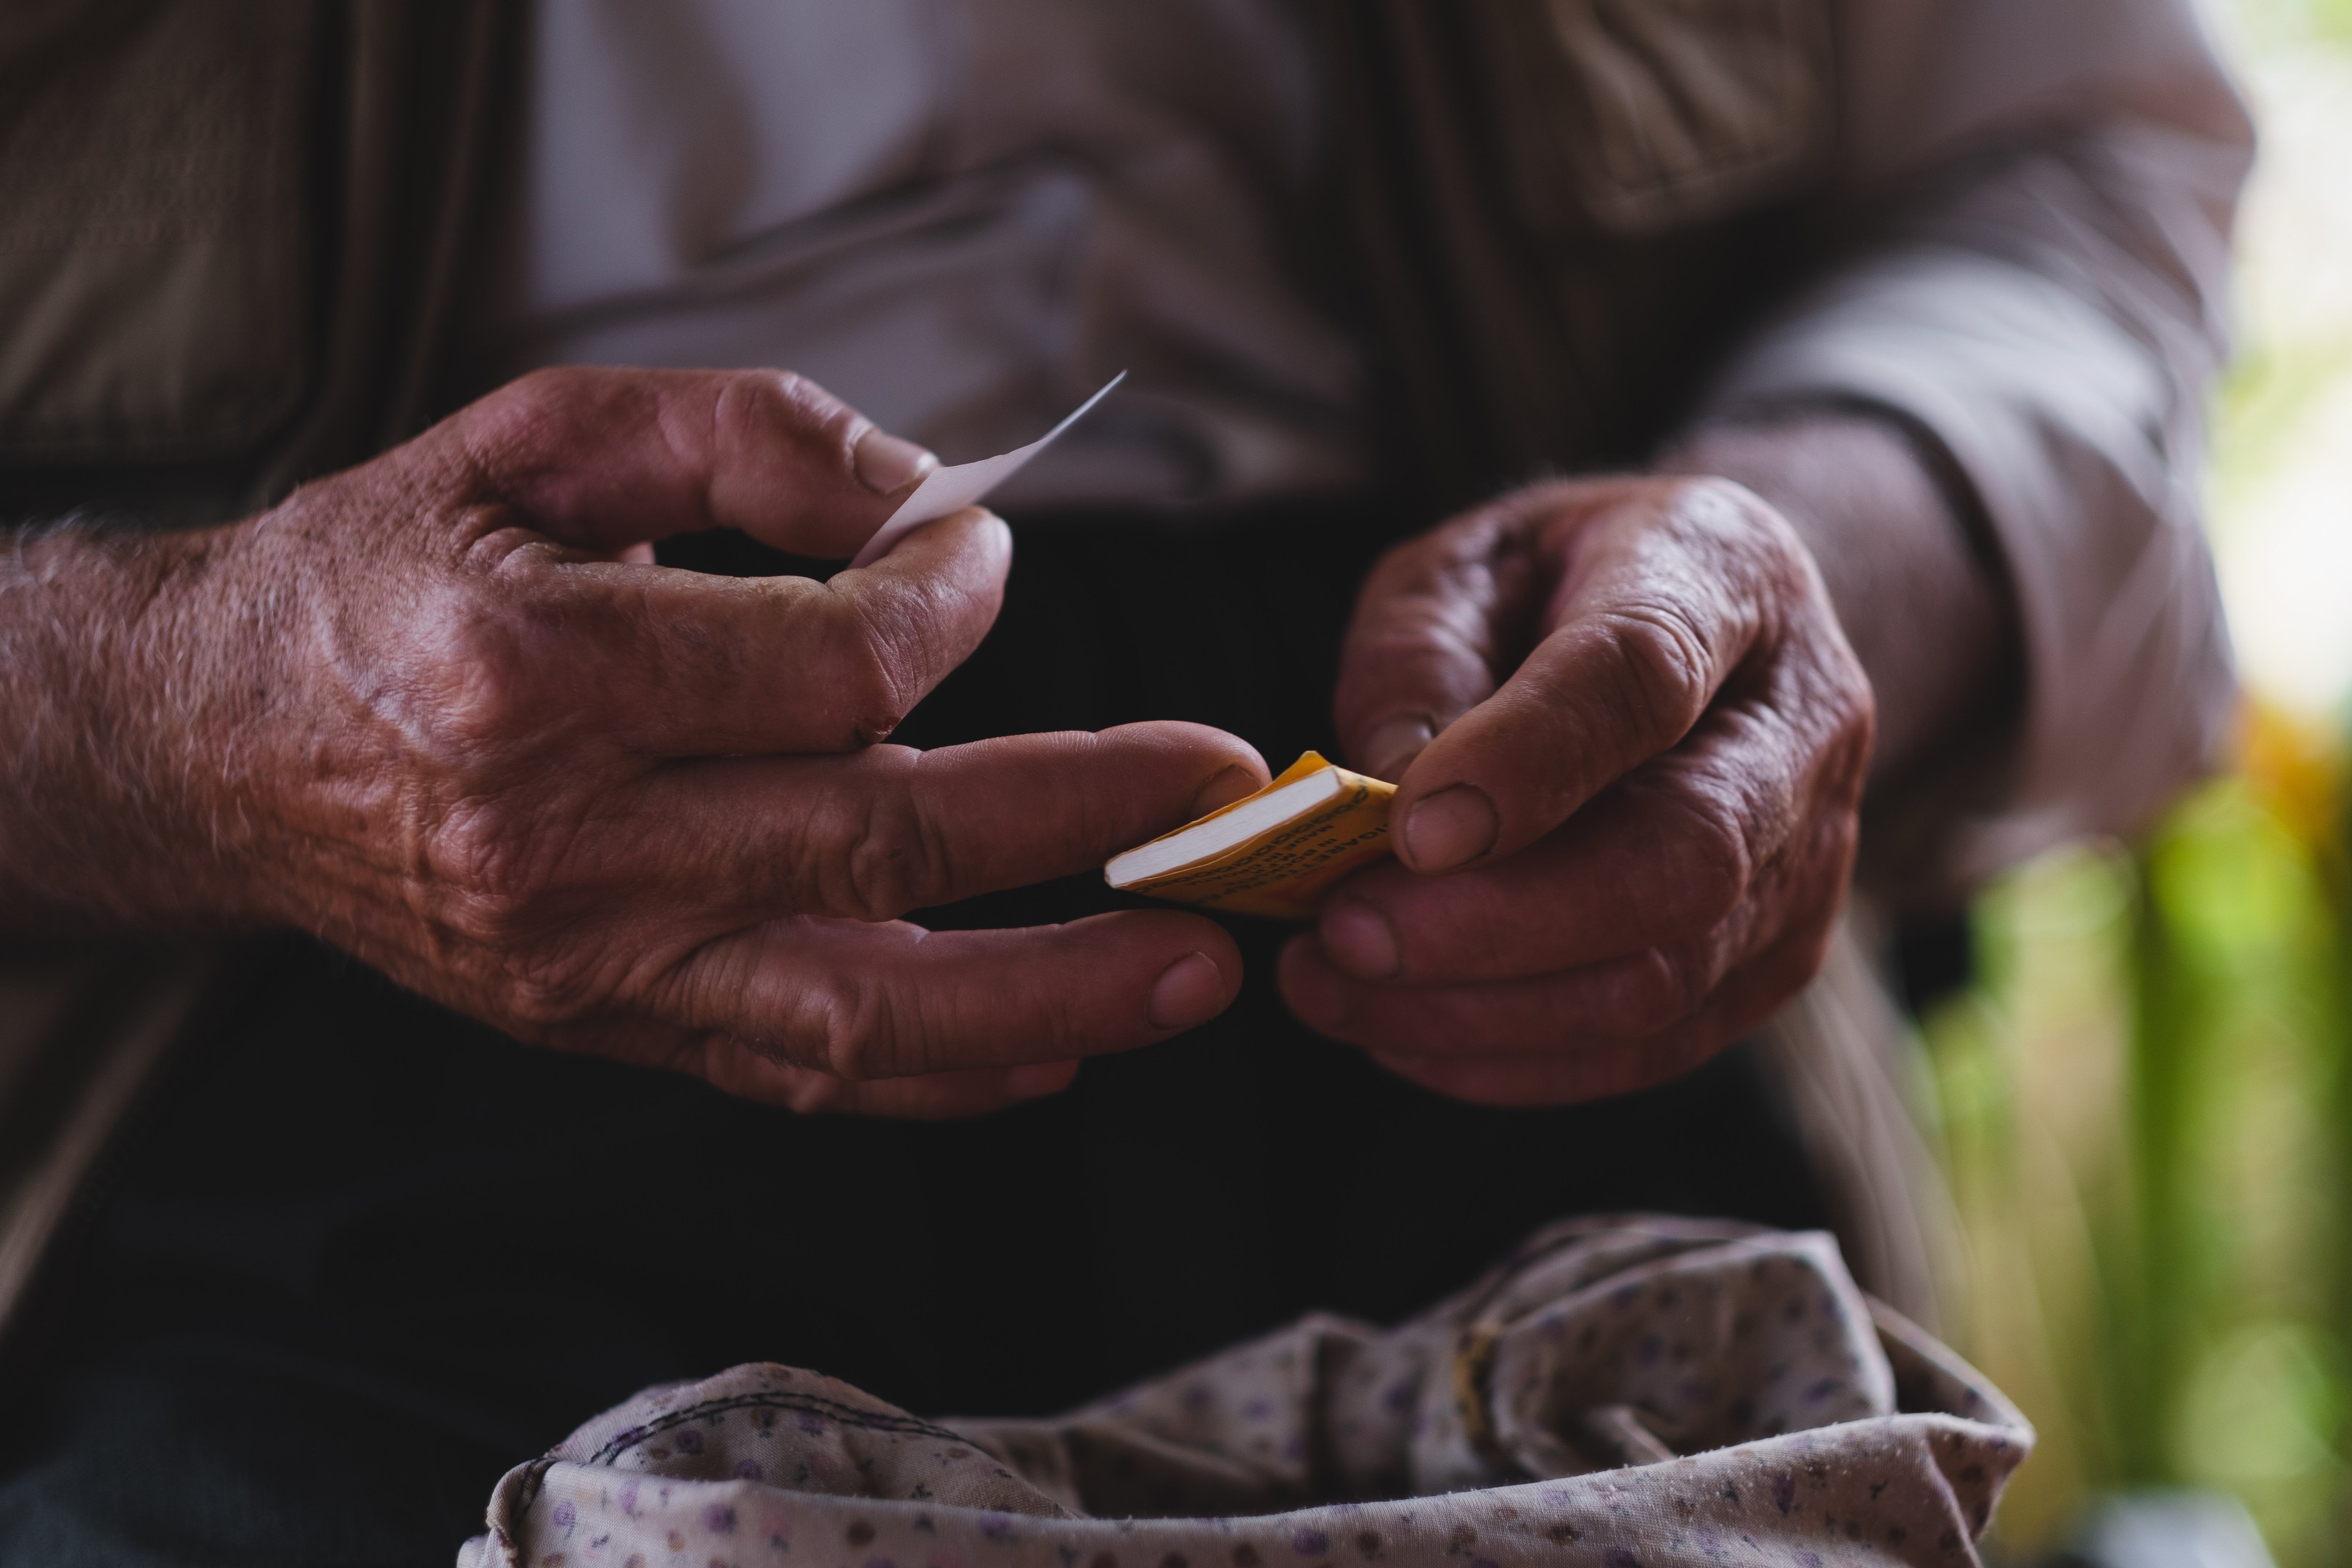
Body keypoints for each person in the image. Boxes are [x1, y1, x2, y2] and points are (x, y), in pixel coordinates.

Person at [0, 1, 2245, 1561]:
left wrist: (1822, 546)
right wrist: (165, 712)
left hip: (1504, 920)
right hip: (289, 1036)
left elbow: (2061, 166)